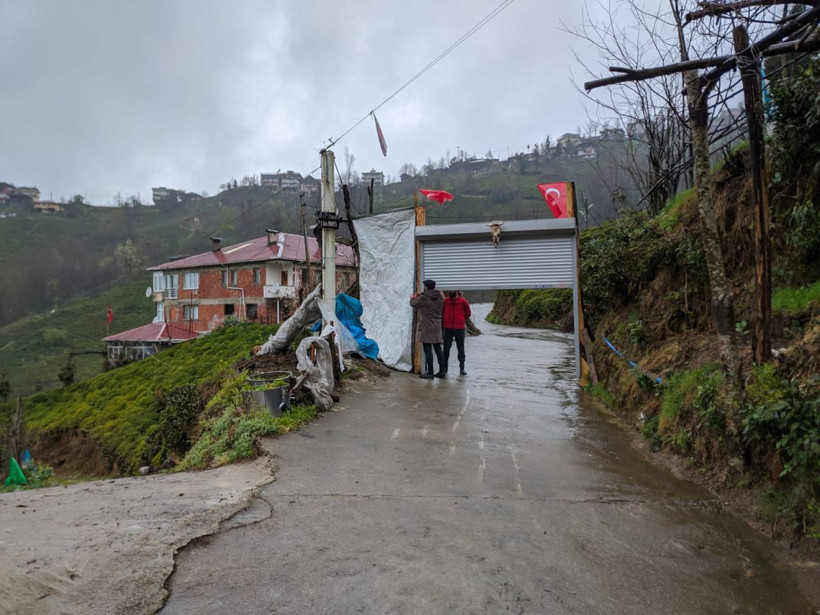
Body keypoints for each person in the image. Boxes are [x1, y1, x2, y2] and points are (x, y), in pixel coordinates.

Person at [410, 279, 445, 379]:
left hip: (426, 326)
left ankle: (430, 372)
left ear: (426, 287)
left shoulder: (424, 298)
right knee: (438, 349)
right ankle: (442, 371)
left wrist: (412, 298)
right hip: (437, 326)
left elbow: (413, 304)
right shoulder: (440, 297)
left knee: (427, 349)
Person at [442, 290, 471, 376]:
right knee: (446, 349)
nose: (450, 291)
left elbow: (468, 313)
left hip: (459, 328)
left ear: (456, 291)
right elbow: (442, 311)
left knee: (460, 349)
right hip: (447, 328)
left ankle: (462, 368)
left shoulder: (463, 302)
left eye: (452, 290)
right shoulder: (445, 301)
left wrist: (461, 319)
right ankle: (445, 368)